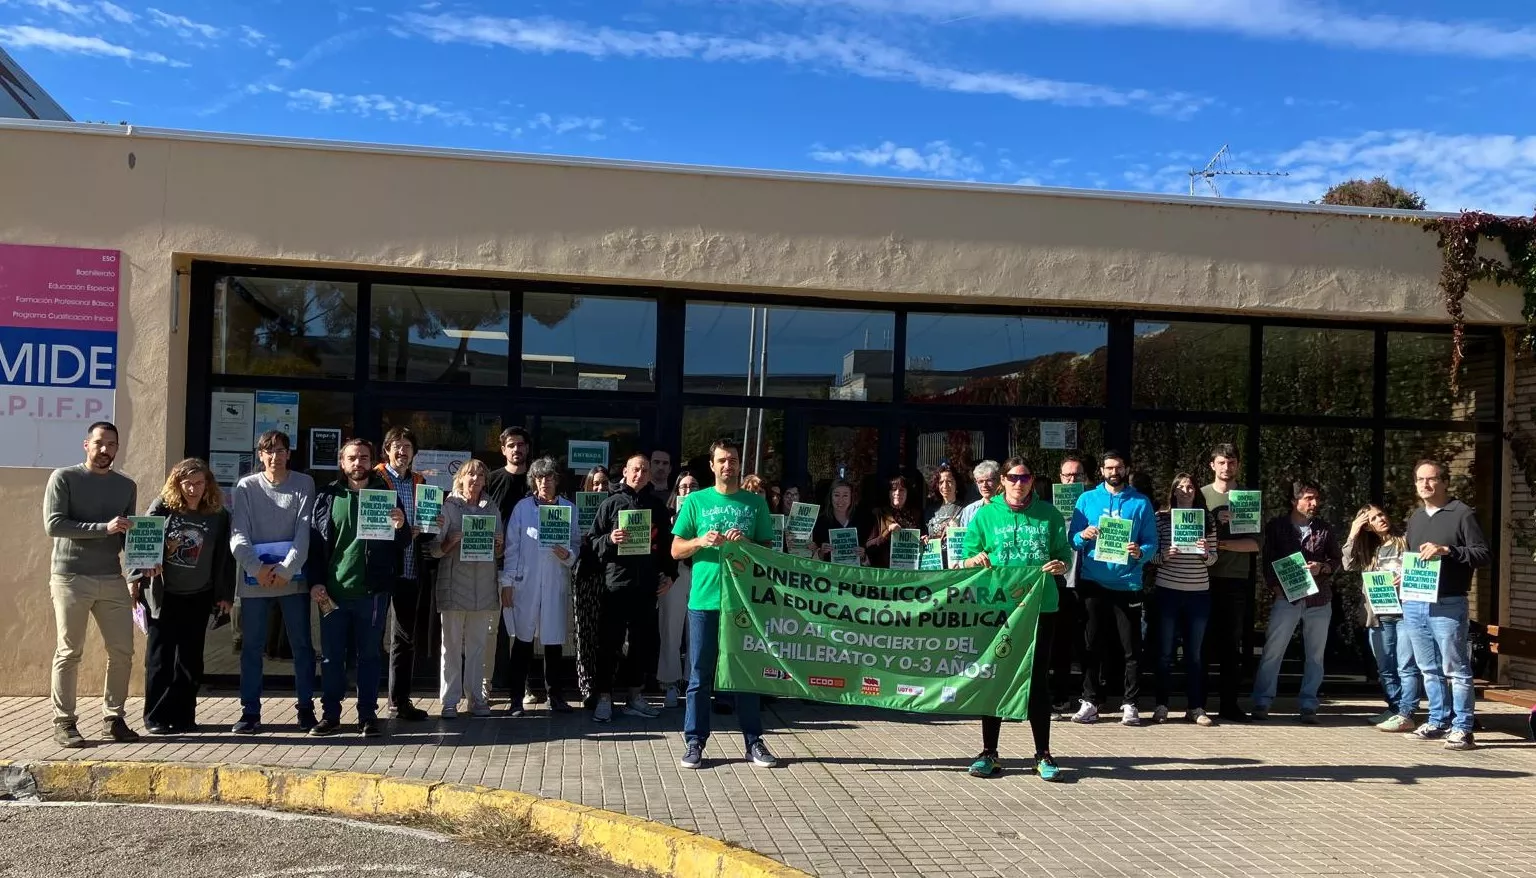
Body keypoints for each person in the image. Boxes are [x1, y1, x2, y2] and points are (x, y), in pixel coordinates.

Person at [959, 457, 1071, 781]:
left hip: (1040, 607)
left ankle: (1043, 754)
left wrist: (1062, 565)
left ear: (1032, 480)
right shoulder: (986, 515)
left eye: (1024, 477)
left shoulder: (1049, 515)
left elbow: (1064, 553)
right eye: (1012, 477)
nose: (1018, 483)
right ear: (1002, 481)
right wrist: (973, 560)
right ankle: (989, 752)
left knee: (1037, 680)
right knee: (994, 675)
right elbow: (965, 557)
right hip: (998, 607)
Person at [671, 439, 778, 770]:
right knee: (700, 674)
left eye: (733, 460)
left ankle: (753, 741)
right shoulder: (696, 502)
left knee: (745, 673)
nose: (728, 465)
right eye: (722, 460)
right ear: (712, 465)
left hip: (742, 603)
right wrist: (700, 541)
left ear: (738, 464)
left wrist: (745, 544)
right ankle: (695, 741)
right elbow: (676, 549)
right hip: (704, 598)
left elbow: (768, 552)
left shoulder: (754, 504)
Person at [43, 421, 140, 747]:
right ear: (86, 445)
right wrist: (104, 527)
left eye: (111, 445)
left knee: (123, 651)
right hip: (70, 577)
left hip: (112, 577)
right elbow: (54, 525)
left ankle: (113, 718)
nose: (105, 450)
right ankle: (64, 722)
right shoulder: (64, 478)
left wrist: (147, 561)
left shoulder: (126, 486)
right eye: (99, 443)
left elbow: (127, 533)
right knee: (70, 651)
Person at [305, 438, 410, 737]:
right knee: (331, 658)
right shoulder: (327, 496)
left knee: (370, 657)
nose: (358, 463)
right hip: (333, 592)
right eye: (352, 457)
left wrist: (401, 525)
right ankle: (331, 715)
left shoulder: (385, 494)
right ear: (342, 462)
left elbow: (402, 544)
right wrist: (315, 582)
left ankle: (367, 715)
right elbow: (315, 545)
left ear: (371, 460)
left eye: (364, 457)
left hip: (372, 593)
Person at [131, 458, 235, 735]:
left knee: (190, 659)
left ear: (208, 484)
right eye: (187, 483)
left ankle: (184, 715)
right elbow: (140, 541)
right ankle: (155, 717)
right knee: (159, 659)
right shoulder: (163, 508)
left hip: (198, 595)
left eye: (199, 483)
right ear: (177, 484)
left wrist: (225, 594)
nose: (193, 489)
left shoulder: (218, 515)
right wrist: (136, 578)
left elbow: (224, 558)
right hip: (164, 596)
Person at [229, 429, 317, 735]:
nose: (275, 456)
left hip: (292, 579)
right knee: (252, 648)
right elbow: (238, 533)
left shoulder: (304, 484)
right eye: (268, 451)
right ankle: (250, 712)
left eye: (280, 450)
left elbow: (305, 531)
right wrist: (256, 568)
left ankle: (306, 708)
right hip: (255, 580)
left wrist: (285, 569)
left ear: (289, 454)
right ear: (260, 455)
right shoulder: (246, 487)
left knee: (301, 646)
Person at [1400, 460, 1489, 750]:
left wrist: (1447, 550)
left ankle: (1463, 726)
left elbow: (1482, 554)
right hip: (1416, 602)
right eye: (1419, 480)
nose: (1425, 485)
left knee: (1456, 668)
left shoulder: (1462, 514)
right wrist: (1403, 576)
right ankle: (1438, 720)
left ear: (1444, 482)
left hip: (1448, 603)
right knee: (1428, 668)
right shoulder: (1415, 517)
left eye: (1431, 479)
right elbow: (1415, 557)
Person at [1069, 450, 1158, 726]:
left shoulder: (1141, 503)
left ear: (1126, 469)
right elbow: (1072, 540)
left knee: (1130, 647)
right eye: (1109, 467)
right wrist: (1083, 536)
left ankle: (1130, 703)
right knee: (1091, 643)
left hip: (1127, 583)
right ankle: (1090, 701)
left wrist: (1139, 552)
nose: (1113, 472)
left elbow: (1152, 542)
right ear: (1102, 471)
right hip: (1093, 582)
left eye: (1118, 467)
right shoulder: (1086, 500)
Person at [589, 453, 676, 722]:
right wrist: (609, 539)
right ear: (625, 471)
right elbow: (592, 543)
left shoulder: (657, 507)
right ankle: (604, 697)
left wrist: (670, 575)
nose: (640, 474)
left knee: (642, 644)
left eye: (645, 470)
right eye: (635, 469)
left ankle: (635, 696)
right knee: (609, 644)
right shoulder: (611, 504)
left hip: (646, 586)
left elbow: (667, 547)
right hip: (616, 585)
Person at [1252, 479, 1341, 724]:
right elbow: (1267, 560)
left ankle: (1309, 704)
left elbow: (1336, 559)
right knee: (1273, 651)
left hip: (1318, 599)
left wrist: (1321, 567)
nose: (1313, 503)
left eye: (1316, 498)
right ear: (1294, 501)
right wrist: (1273, 587)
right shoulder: (1277, 526)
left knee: (1315, 655)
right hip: (1287, 598)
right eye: (1308, 498)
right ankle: (1262, 701)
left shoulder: (1324, 528)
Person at [500, 456, 581, 716]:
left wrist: (567, 555)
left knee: (553, 642)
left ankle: (555, 696)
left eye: (549, 477)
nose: (544, 482)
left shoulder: (568, 508)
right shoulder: (522, 508)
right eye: (539, 477)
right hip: (526, 584)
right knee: (522, 642)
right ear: (533, 480)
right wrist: (508, 583)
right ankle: (515, 699)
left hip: (555, 583)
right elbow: (511, 548)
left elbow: (577, 543)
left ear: (557, 480)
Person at [429, 459, 504, 719]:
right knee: (450, 647)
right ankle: (450, 701)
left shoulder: (491, 507)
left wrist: (497, 545)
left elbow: (500, 548)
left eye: (480, 476)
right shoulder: (448, 507)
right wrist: (450, 542)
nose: (475, 480)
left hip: (483, 586)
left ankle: (476, 700)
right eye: (470, 475)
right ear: (460, 478)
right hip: (453, 586)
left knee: (478, 646)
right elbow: (434, 549)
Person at [1342, 504, 1417, 732]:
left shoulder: (1405, 540)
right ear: (1368, 526)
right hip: (1379, 614)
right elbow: (1347, 564)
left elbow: (1423, 567)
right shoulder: (1368, 550)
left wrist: (1406, 577)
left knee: (1406, 665)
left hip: (1405, 612)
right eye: (1373, 518)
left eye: (1382, 514)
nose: (1380, 519)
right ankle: (1394, 708)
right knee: (1385, 666)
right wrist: (1353, 532)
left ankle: (1407, 712)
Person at [375, 426, 433, 722]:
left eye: (407, 446)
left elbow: (429, 526)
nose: (402, 451)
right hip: (381, 570)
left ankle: (400, 701)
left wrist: (427, 527)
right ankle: (367, 702)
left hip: (411, 569)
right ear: (386, 450)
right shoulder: (375, 480)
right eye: (396, 446)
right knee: (372, 637)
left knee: (404, 638)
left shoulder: (420, 483)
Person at [1201, 444, 1262, 723]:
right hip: (1202, 579)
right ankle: (1197, 704)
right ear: (1213, 465)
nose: (1227, 467)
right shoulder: (1200, 495)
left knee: (1230, 646)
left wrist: (1221, 543)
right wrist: (1214, 524)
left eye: (1232, 462)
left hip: (1236, 581)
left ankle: (1229, 705)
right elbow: (1188, 536)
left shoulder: (1247, 499)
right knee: (1201, 644)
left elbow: (1254, 544)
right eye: (1222, 462)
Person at [1152, 473, 1218, 726]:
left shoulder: (1206, 519)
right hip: (1167, 590)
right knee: (1164, 653)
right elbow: (1150, 556)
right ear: (1173, 491)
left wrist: (1206, 553)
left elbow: (1213, 559)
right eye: (1180, 487)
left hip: (1198, 592)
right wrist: (1163, 556)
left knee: (1195, 654)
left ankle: (1196, 707)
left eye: (1190, 486)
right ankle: (1161, 705)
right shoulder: (1161, 518)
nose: (1186, 490)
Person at [484, 426, 536, 706]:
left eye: (521, 444)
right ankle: (488, 684)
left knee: (523, 628)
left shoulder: (535, 482)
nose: (517, 449)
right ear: (503, 449)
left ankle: (524, 683)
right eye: (511, 445)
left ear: (528, 448)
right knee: (493, 628)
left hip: (529, 566)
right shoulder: (491, 480)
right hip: (496, 564)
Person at [658, 470, 701, 707]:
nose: (688, 490)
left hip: (699, 575)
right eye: (683, 487)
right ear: (676, 492)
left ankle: (692, 682)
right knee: (670, 631)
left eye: (693, 486)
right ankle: (669, 683)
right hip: (673, 579)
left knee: (695, 632)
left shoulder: (706, 516)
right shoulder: (666, 517)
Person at [1049, 456, 1087, 713]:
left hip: (1088, 582)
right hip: (1061, 584)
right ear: (1060, 478)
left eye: (1077, 475)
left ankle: (1091, 697)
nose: (1071, 480)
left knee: (1088, 643)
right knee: (1059, 644)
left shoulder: (1092, 506)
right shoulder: (1049, 510)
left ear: (1085, 478)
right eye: (1067, 476)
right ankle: (1061, 695)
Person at [573, 465, 611, 708]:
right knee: (584, 632)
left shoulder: (615, 509)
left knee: (606, 633)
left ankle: (604, 684)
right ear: (587, 486)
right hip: (585, 575)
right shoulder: (575, 510)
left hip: (608, 577)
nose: (599, 488)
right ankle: (586, 685)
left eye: (604, 484)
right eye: (595, 484)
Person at [865, 472, 921, 568]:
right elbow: (868, 546)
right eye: (893, 490)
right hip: (886, 572)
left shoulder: (916, 514)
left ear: (908, 492)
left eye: (902, 490)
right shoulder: (879, 513)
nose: (897, 493)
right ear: (888, 492)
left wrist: (923, 539)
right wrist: (887, 532)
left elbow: (922, 537)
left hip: (910, 570)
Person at [809, 480, 872, 564]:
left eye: (845, 495)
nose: (840, 500)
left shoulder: (862, 520)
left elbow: (870, 560)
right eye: (836, 495)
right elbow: (813, 561)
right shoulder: (820, 522)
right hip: (829, 572)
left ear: (851, 498)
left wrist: (863, 556)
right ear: (830, 497)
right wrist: (821, 552)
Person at [924, 463, 963, 548]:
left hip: (956, 560)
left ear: (957, 483)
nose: (945, 486)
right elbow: (925, 534)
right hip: (935, 559)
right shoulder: (930, 510)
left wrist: (958, 531)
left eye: (949, 481)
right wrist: (924, 538)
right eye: (941, 482)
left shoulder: (966, 509)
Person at [957, 461, 1001, 528]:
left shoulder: (1006, 508)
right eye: (980, 481)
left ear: (998, 481)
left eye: (989, 480)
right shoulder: (969, 510)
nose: (984, 485)